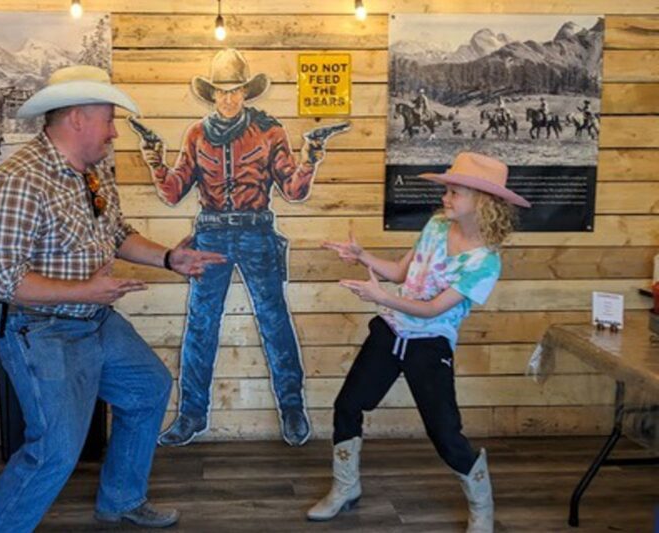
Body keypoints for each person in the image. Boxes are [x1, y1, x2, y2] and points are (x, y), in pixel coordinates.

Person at [0, 65, 225, 532]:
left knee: (147, 388)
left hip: (94, 318)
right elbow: (3, 281)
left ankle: (121, 498)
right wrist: (86, 290)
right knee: (54, 450)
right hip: (38, 329)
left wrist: (170, 258)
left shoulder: (95, 173)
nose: (113, 133)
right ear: (77, 120)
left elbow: (117, 235)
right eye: (109, 120)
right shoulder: (19, 181)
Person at [309, 152, 531, 533]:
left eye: (454, 192)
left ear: (482, 202)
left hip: (429, 343)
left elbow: (431, 310)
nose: (445, 198)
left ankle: (482, 508)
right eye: (446, 190)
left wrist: (380, 297)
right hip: (391, 330)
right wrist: (363, 257)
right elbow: (399, 272)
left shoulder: (485, 263)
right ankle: (345, 487)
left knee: (445, 432)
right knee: (348, 405)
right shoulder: (436, 226)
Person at [140, 48, 327, 447]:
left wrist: (310, 158)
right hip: (210, 234)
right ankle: (192, 415)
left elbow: (293, 190)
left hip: (257, 232)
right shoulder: (195, 134)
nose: (228, 98)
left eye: (235, 90)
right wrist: (155, 162)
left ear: (246, 92)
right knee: (201, 325)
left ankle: (292, 408)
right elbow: (174, 193)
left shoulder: (270, 132)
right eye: (221, 91)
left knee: (274, 321)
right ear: (212, 94)